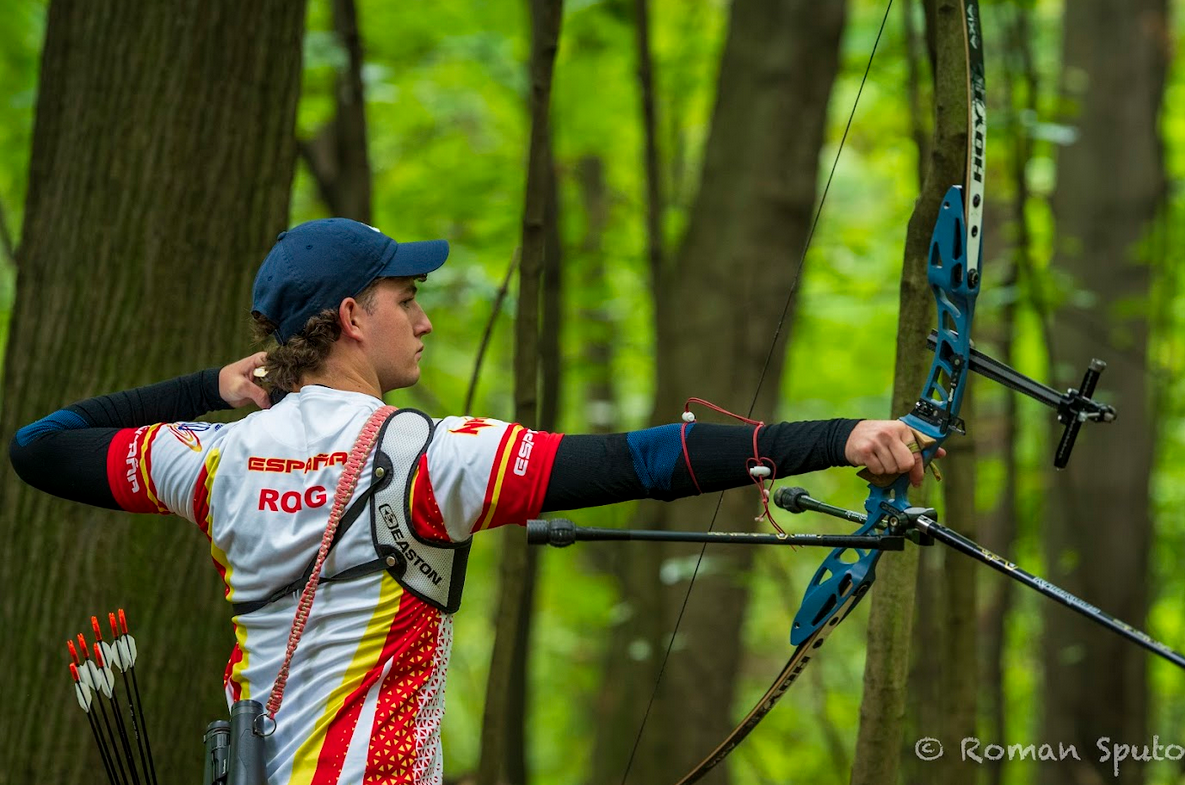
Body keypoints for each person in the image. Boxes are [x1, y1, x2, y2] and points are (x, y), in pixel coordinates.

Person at [9, 218, 932, 784]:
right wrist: (841, 437)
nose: (423, 318)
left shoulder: (206, 458)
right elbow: (642, 460)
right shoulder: (424, 457)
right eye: (403, 297)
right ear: (348, 318)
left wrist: (207, 384)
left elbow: (41, 446)